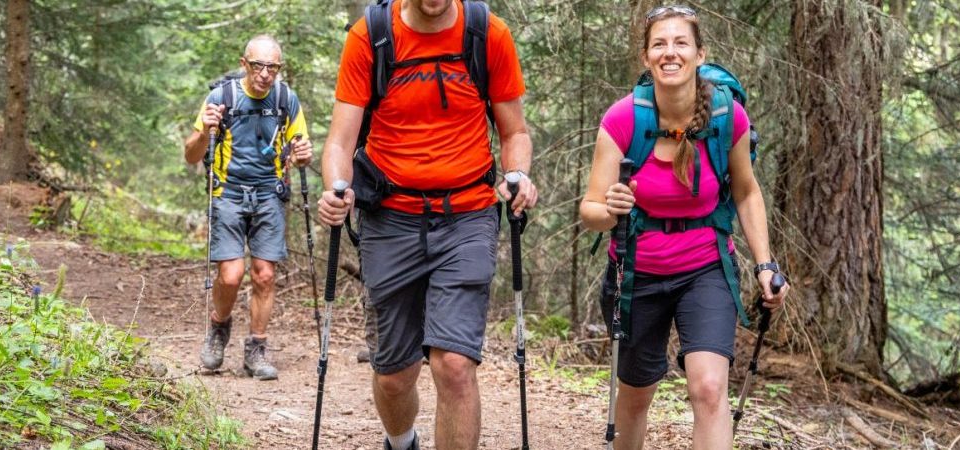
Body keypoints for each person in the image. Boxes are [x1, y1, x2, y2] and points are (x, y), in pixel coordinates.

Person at [316, 0, 536, 448]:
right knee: (395, 375)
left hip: (467, 216)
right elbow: (340, 139)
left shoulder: (488, 34)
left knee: (454, 365)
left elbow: (514, 132)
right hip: (390, 218)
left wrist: (517, 175)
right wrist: (339, 187)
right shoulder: (371, 36)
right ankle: (401, 442)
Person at [577, 5, 791, 449]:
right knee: (635, 395)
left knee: (710, 389)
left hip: (705, 268)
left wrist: (765, 264)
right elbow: (590, 211)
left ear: (699, 53)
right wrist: (611, 209)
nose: (669, 53)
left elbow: (747, 192)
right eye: (659, 44)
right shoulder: (623, 119)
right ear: (645, 56)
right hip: (636, 271)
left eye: (680, 43)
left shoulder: (725, 117)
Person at [183, 35, 313, 381]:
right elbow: (191, 154)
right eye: (258, 66)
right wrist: (204, 132)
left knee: (265, 275)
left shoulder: (286, 100)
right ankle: (219, 327)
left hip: (269, 195)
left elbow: (300, 151)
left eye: (273, 67)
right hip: (227, 194)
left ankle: (256, 349)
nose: (265, 74)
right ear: (245, 64)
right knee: (231, 275)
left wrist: (303, 157)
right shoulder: (221, 98)